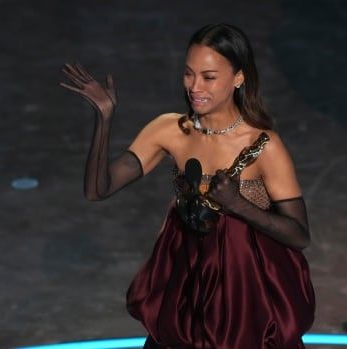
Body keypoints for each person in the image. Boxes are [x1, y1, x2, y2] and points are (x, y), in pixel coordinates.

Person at [60, 23, 315, 349]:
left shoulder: (264, 146)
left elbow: (299, 234)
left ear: (238, 78)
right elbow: (99, 189)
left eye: (208, 77)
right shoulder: (169, 130)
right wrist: (105, 118)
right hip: (187, 275)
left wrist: (238, 205)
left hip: (244, 285)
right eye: (189, 74)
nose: (195, 86)